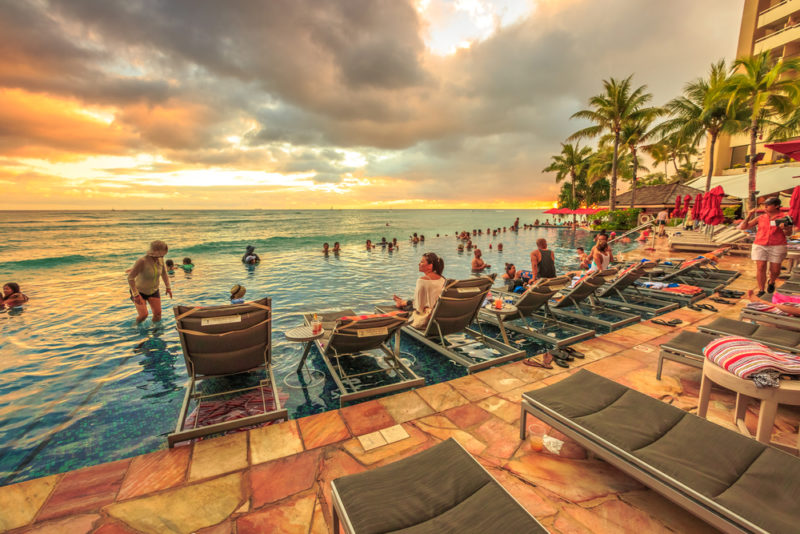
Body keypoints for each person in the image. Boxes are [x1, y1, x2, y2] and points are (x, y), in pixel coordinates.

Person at [739, 196, 793, 296]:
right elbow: (743, 227)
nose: (765, 206)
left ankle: (771, 281)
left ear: (776, 206)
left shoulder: (785, 217)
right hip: (760, 244)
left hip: (777, 245)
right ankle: (761, 290)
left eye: (768, 205)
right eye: (765, 205)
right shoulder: (761, 217)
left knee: (775, 270)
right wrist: (749, 215)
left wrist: (784, 228)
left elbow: (789, 233)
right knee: (760, 266)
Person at [392, 253, 446, 328]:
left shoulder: (422, 280)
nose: (419, 264)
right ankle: (401, 302)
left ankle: (401, 303)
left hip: (428, 318)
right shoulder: (443, 279)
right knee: (412, 301)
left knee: (412, 304)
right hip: (441, 315)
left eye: (422, 262)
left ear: (430, 266)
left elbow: (418, 307)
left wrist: (406, 303)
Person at [127, 240, 172, 323]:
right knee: (143, 315)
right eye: (157, 256)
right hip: (139, 291)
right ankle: (135, 328)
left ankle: (155, 333)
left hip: (154, 291)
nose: (160, 258)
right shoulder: (142, 261)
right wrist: (135, 294)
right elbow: (130, 278)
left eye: (162, 256)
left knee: (158, 314)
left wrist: (168, 287)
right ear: (151, 253)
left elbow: (164, 273)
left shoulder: (161, 259)